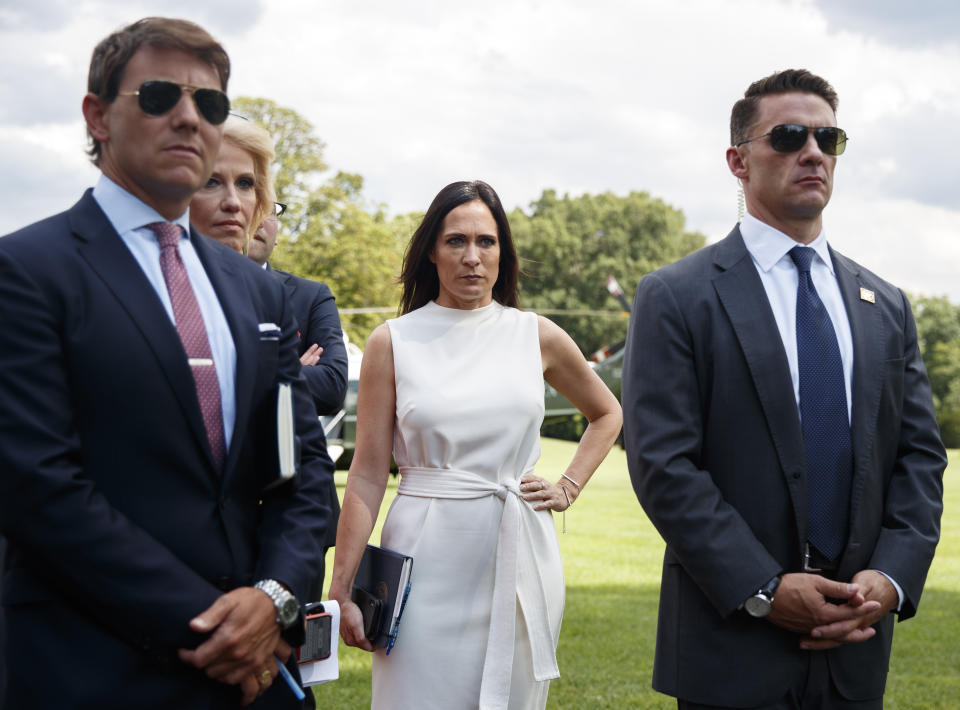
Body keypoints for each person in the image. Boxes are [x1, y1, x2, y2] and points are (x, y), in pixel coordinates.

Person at [0, 17, 334, 708]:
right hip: (94, 666)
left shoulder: (257, 290)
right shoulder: (27, 271)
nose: (188, 118)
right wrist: (220, 626)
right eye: (158, 96)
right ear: (97, 116)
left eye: (208, 104)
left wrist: (273, 600)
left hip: (254, 675)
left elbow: (298, 475)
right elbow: (40, 489)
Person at [622, 68, 946, 709]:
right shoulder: (678, 296)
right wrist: (763, 588)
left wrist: (890, 579)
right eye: (790, 135)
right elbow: (664, 464)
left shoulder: (885, 304)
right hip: (731, 646)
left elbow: (919, 457)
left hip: (855, 643)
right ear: (737, 161)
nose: (813, 152)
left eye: (829, 138)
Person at [329, 180, 622, 709]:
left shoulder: (537, 335)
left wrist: (568, 485)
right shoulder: (393, 341)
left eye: (486, 242)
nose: (472, 257)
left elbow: (607, 412)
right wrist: (342, 585)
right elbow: (369, 473)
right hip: (421, 558)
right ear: (431, 253)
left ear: (502, 253)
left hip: (518, 551)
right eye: (455, 241)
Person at [191, 118, 347, 600]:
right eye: (212, 181)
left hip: (281, 547)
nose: (234, 202)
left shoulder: (289, 298)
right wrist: (287, 372)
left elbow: (324, 408)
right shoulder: (144, 293)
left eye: (248, 185)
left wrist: (275, 592)